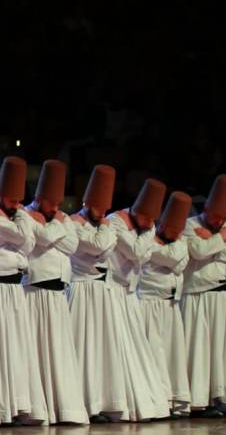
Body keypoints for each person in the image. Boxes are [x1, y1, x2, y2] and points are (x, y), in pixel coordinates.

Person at [0, 156, 47, 425]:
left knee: (16, 348)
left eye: (18, 201)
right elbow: (19, 239)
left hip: (13, 288)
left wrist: (12, 247)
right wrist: (14, 245)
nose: (16, 206)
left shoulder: (21, 215)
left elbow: (27, 243)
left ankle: (17, 405)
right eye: (11, 201)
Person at [22, 160, 87, 424]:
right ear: (38, 199)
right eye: (51, 203)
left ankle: (63, 407)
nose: (56, 209)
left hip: (57, 292)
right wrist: (57, 228)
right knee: (36, 350)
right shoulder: (26, 215)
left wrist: (56, 224)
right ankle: (38, 407)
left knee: (58, 351)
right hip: (34, 291)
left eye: (59, 205)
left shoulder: (60, 218)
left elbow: (72, 245)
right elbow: (42, 238)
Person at [104, 178, 172, 421]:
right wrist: (146, 241)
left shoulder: (149, 227)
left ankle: (142, 399)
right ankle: (116, 401)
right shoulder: (115, 221)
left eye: (153, 220)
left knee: (136, 347)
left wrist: (146, 237)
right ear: (137, 211)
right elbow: (135, 251)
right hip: (112, 290)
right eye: (147, 219)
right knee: (116, 346)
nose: (150, 224)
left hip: (131, 292)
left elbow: (142, 256)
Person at [180, 175, 226, 417]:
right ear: (206, 209)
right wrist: (219, 242)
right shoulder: (189, 224)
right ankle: (197, 400)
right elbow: (197, 251)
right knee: (199, 348)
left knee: (221, 350)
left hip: (223, 297)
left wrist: (214, 241)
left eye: (223, 218)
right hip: (199, 295)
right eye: (215, 216)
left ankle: (220, 398)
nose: (219, 222)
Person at [67, 165, 125, 422]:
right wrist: (104, 231)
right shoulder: (72, 222)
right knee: (82, 345)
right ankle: (82, 401)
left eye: (104, 209)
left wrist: (103, 231)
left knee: (101, 347)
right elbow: (99, 246)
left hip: (102, 289)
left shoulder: (105, 224)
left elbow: (105, 248)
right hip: (80, 288)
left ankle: (100, 401)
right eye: (97, 208)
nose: (102, 213)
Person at [137, 191, 193, 416]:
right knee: (153, 356)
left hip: (171, 306)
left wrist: (170, 255)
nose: (177, 234)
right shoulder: (147, 238)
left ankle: (174, 402)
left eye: (179, 231)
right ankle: (155, 401)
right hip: (149, 304)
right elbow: (170, 259)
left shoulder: (181, 241)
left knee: (172, 357)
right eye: (173, 230)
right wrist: (170, 256)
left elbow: (179, 263)